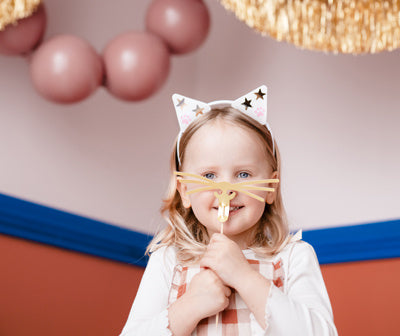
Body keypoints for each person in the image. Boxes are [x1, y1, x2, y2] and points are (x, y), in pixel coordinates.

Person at [119, 86, 338, 336]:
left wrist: (244, 276)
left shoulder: (292, 258)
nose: (226, 189)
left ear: (271, 188)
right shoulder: (169, 260)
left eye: (243, 174)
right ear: (185, 190)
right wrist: (189, 306)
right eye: (209, 175)